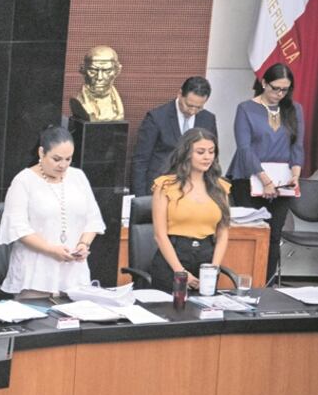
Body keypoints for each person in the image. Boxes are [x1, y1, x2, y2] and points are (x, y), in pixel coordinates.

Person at [0, 126, 105, 298]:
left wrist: (84, 244)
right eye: (56, 159)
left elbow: (93, 219)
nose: (63, 165)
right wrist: (51, 249)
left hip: (73, 274)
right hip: (36, 273)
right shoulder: (23, 181)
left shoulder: (78, 177)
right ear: (41, 153)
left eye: (68, 159)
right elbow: (18, 228)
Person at [226, 63, 305, 283]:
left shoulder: (294, 109)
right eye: (275, 88)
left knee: (273, 234)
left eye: (285, 89)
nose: (279, 94)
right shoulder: (245, 108)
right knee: (252, 233)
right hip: (249, 178)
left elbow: (297, 146)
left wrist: (296, 174)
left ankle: (266, 284)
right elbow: (244, 148)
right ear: (263, 83)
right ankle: (243, 283)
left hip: (282, 181)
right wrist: (265, 181)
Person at [150, 129, 232, 291]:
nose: (207, 157)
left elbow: (223, 233)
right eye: (200, 152)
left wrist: (213, 269)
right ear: (186, 153)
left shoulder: (220, 187)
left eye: (211, 152)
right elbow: (160, 235)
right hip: (174, 258)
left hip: (207, 258)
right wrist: (180, 272)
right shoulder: (165, 185)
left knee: (205, 312)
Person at [131, 76, 219, 197]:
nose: (192, 111)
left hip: (194, 190)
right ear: (179, 94)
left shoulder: (208, 119)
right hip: (161, 188)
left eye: (199, 107)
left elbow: (212, 157)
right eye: (189, 105)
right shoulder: (157, 118)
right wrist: (140, 197)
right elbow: (141, 160)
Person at [69, 45, 125, 121]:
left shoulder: (118, 104)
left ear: (117, 71)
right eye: (93, 71)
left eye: (107, 71)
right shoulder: (77, 102)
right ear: (83, 70)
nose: (99, 77)